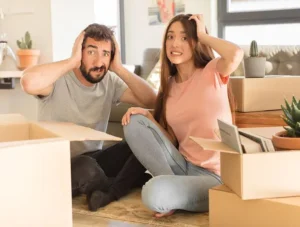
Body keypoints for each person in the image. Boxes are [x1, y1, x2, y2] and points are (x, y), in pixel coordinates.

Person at [20, 23, 156, 211]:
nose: (99, 61)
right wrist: (71, 61)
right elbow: (27, 82)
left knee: (141, 141)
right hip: (55, 165)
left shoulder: (109, 80)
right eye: (92, 52)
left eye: (106, 54)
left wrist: (120, 69)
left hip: (94, 157)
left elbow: (152, 101)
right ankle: (122, 183)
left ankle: (110, 188)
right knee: (87, 168)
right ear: (80, 52)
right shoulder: (58, 78)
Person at [123, 14, 243, 217]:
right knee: (134, 121)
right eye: (170, 37)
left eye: (184, 37)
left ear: (195, 41)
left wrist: (204, 36)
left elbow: (235, 54)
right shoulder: (169, 85)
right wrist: (149, 119)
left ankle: (172, 194)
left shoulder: (212, 71)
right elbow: (172, 140)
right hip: (182, 165)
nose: (175, 43)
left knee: (153, 194)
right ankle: (174, 193)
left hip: (216, 176)